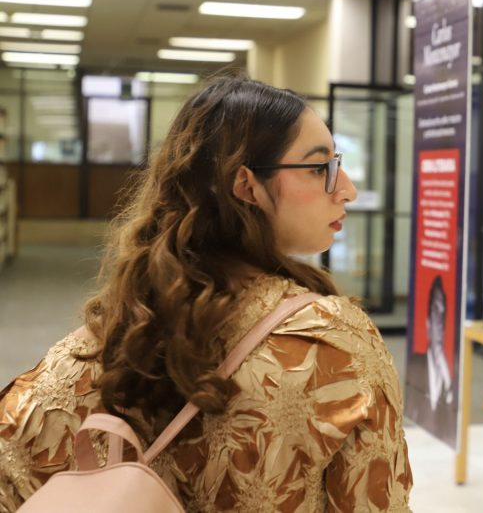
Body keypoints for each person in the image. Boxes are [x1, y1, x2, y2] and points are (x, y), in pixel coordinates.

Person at [0, 75, 412, 512]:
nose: (346, 189)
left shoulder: (115, 330)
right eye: (318, 168)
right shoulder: (332, 344)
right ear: (246, 186)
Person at [405, 276, 456, 442]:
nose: (440, 322)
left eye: (443, 314)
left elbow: (452, 429)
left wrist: (448, 385)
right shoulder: (416, 365)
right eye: (435, 312)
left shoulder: (450, 377)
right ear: (427, 323)